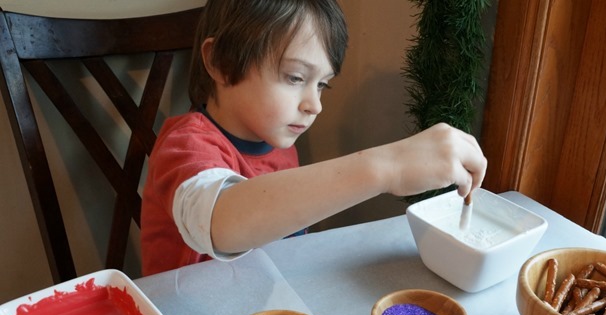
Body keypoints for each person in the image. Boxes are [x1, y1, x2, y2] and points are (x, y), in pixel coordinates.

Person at [141, 0, 487, 276]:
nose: (315, 105)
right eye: (295, 77)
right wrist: (386, 167)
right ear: (219, 61)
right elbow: (220, 222)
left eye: (322, 84)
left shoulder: (276, 141)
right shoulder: (185, 146)